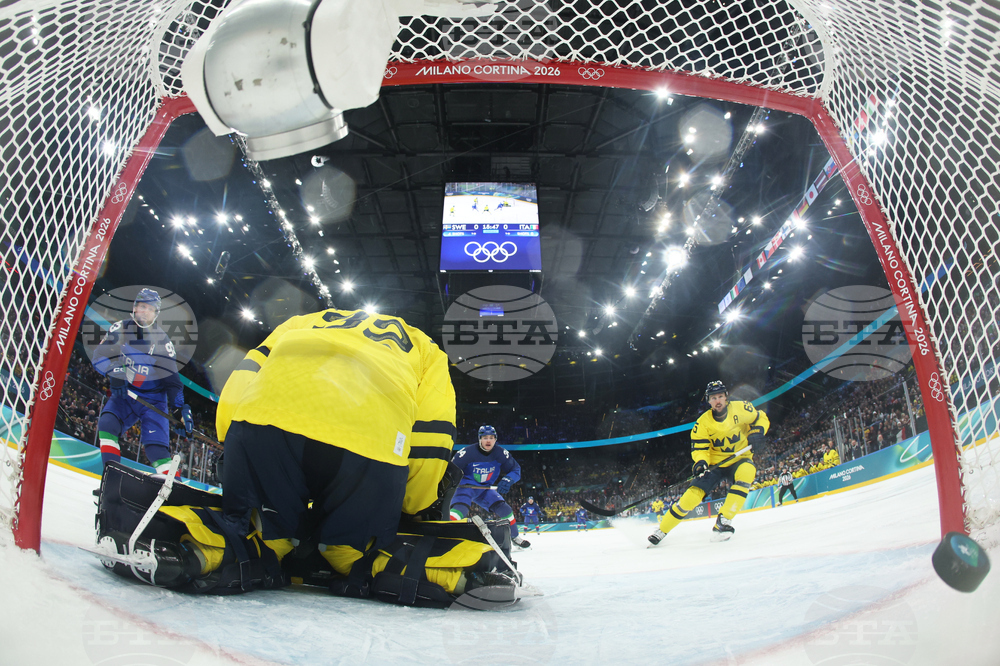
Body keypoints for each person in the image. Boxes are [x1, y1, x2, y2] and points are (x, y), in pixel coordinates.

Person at [649, 380, 769, 545]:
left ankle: (723, 521)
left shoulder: (742, 408)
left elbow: (760, 417)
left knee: (747, 473)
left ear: (726, 397)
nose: (717, 401)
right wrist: (700, 463)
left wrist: (757, 432)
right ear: (708, 400)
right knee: (691, 497)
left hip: (739, 459)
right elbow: (700, 448)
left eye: (720, 396)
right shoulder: (702, 423)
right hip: (715, 465)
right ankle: (662, 529)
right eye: (713, 398)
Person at [91, 288, 192, 473]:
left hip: (153, 401)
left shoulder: (163, 343)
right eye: (141, 306)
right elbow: (98, 356)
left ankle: (175, 493)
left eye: (150, 308)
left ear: (156, 314)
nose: (144, 311)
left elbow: (173, 383)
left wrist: (178, 410)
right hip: (125, 394)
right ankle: (110, 483)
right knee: (106, 426)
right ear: (134, 308)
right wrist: (114, 372)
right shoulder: (119, 329)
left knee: (156, 452)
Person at [450, 425, 530, 549]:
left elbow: (515, 469)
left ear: (495, 439)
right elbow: (450, 470)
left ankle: (514, 537)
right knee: (460, 510)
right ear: (479, 439)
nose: (488, 440)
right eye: (485, 437)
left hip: (485, 489)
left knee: (506, 510)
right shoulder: (466, 453)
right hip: (466, 487)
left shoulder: (501, 453)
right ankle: (444, 537)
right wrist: (450, 484)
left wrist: (508, 480)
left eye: (491, 438)